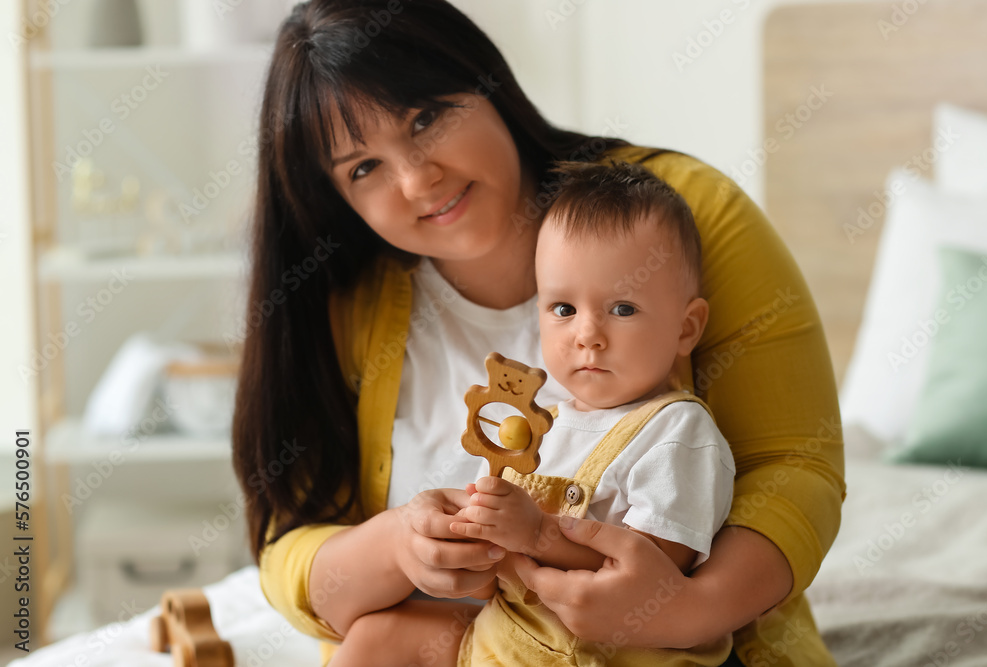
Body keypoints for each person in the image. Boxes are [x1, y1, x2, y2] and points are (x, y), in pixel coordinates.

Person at [231, 1, 847, 666]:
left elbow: (796, 466)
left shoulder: (675, 219)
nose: (416, 179)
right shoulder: (340, 300)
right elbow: (288, 548)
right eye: (362, 168)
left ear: (484, 80)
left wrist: (684, 610)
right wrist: (397, 545)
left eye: (425, 118)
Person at [328, 160, 738, 666]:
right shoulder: (539, 428)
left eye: (623, 308)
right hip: (509, 639)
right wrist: (467, 536)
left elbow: (653, 576)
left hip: (602, 654)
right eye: (563, 309)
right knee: (378, 637)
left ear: (685, 328)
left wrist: (538, 534)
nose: (587, 334)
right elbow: (490, 575)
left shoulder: (678, 431)